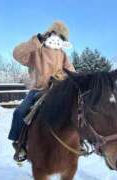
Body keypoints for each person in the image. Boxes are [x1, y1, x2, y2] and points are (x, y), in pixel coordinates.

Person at [8, 21, 75, 162]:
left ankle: (79, 141)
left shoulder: (63, 55)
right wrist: (36, 40)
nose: (57, 39)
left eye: (61, 37)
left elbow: (71, 72)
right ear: (49, 34)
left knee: (76, 111)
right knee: (20, 112)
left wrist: (60, 77)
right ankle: (19, 143)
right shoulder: (36, 51)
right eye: (55, 35)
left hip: (57, 91)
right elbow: (16, 54)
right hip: (37, 90)